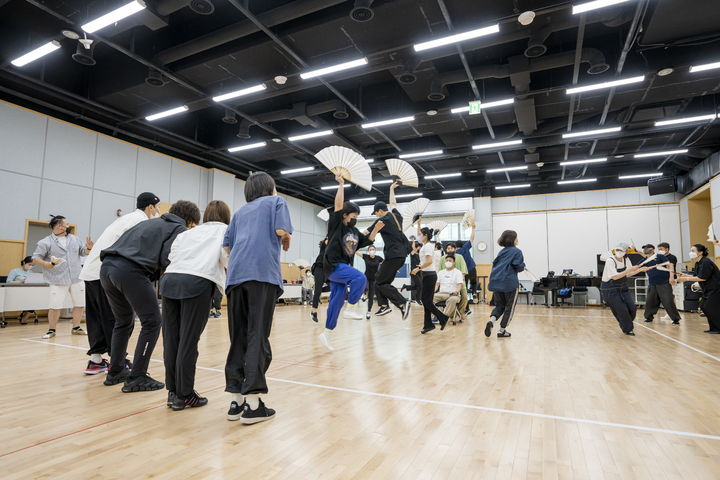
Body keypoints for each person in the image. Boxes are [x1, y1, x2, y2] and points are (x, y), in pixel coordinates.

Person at [100, 200, 200, 392]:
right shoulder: (178, 228)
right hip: (130, 270)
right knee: (153, 322)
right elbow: (166, 257)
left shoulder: (149, 222)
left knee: (123, 321)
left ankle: (115, 371)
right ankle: (137, 376)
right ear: (189, 221)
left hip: (107, 267)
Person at [224, 172, 292, 424]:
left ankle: (235, 400)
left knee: (238, 336)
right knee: (257, 336)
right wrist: (286, 236)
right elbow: (280, 229)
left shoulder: (240, 212)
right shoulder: (277, 201)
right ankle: (253, 404)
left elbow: (228, 247)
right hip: (261, 274)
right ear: (269, 188)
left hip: (235, 276)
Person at [79, 192, 160, 375]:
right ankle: (119, 361)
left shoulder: (126, 218)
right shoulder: (140, 221)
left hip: (91, 271)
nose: (159, 211)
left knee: (96, 318)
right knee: (117, 319)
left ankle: (96, 360)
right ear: (150, 207)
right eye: (158, 207)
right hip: (105, 271)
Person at [161, 200, 231, 411]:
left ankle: (173, 392)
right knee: (188, 341)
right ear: (227, 216)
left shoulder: (187, 232)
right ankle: (185, 394)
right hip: (197, 282)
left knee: (171, 339)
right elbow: (227, 258)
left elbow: (172, 256)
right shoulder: (226, 231)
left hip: (170, 280)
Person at [318, 174, 384, 352]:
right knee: (360, 278)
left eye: (356, 216)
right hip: (333, 265)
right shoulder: (337, 225)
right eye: (353, 216)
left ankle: (327, 333)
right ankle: (351, 308)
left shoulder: (354, 231)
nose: (355, 218)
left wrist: (376, 230)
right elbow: (338, 205)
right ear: (345, 215)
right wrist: (341, 184)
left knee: (336, 301)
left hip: (343, 268)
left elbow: (367, 241)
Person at [32, 215, 92, 339]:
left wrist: (88, 249)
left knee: (80, 304)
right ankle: (51, 330)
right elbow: (36, 258)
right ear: (59, 226)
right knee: (55, 306)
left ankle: (76, 327)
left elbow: (83, 252)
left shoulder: (74, 239)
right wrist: (47, 264)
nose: (68, 226)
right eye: (67, 224)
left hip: (76, 277)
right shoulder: (45, 242)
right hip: (57, 279)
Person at [365, 181, 411, 319]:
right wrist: (391, 188)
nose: (376, 216)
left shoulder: (383, 220)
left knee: (379, 281)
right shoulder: (396, 215)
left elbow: (367, 232)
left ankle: (401, 303)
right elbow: (393, 203)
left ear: (379, 210)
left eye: (376, 213)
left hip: (393, 255)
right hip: (401, 255)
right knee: (380, 280)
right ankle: (385, 306)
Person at [485, 230, 525, 338]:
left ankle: (491, 321)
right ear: (513, 239)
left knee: (500, 306)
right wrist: (523, 266)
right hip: (509, 283)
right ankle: (502, 330)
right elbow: (518, 266)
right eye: (516, 237)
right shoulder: (517, 251)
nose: (517, 239)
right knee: (509, 307)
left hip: (497, 282)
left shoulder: (501, 252)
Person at [411, 222, 448, 334]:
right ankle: (428, 324)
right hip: (427, 275)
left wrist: (418, 269)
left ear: (425, 235)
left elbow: (429, 261)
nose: (419, 236)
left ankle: (442, 318)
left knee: (426, 301)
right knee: (426, 300)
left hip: (429, 275)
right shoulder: (426, 245)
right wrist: (418, 222)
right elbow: (419, 234)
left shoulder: (427, 246)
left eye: (421, 234)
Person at [599, 242, 644, 336]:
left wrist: (640, 270)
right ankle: (628, 329)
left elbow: (628, 274)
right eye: (617, 250)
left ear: (626, 251)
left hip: (623, 287)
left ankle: (626, 323)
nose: (619, 252)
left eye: (621, 250)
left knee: (632, 308)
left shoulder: (626, 259)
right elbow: (615, 277)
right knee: (622, 310)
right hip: (609, 289)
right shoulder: (610, 260)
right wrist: (630, 270)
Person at [677, 244, 720, 334]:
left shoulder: (706, 262)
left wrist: (686, 279)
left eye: (693, 251)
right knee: (703, 306)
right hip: (707, 289)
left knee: (710, 307)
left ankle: (718, 328)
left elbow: (703, 278)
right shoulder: (698, 263)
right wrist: (684, 275)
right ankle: (713, 328)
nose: (691, 253)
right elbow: (697, 276)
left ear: (700, 252)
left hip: (715, 288)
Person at [640, 243, 681, 325]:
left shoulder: (659, 256)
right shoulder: (645, 259)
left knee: (667, 300)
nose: (646, 250)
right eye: (644, 249)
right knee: (650, 301)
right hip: (652, 283)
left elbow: (670, 265)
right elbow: (637, 266)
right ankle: (649, 317)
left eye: (648, 248)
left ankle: (675, 319)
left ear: (652, 249)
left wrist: (671, 277)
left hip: (664, 282)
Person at [439, 243, 469, 321]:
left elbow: (463, 271)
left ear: (455, 249)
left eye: (452, 248)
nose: (450, 250)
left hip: (460, 283)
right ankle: (452, 315)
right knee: (450, 298)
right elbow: (440, 271)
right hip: (447, 284)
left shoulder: (460, 257)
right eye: (448, 248)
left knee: (465, 297)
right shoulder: (442, 259)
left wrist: (460, 283)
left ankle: (461, 312)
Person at [433, 253, 464, 321]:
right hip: (441, 293)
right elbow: (437, 284)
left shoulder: (458, 272)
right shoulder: (440, 272)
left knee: (452, 300)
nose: (448, 262)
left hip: (453, 294)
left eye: (450, 260)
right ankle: (436, 315)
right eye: (446, 260)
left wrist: (456, 292)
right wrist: (433, 291)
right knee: (429, 299)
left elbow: (460, 285)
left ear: (454, 263)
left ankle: (444, 317)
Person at [6, 256, 36, 325]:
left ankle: (24, 317)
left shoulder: (31, 272)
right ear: (24, 263)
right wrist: (20, 281)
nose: (31, 266)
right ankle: (24, 315)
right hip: (16, 292)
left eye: (32, 265)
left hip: (27, 292)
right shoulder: (14, 271)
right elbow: (8, 282)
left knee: (34, 300)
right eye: (29, 264)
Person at [355, 245, 383, 319]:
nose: (372, 250)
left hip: (374, 279)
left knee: (371, 296)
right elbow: (356, 252)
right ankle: (364, 294)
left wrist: (394, 268)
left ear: (375, 250)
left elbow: (386, 263)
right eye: (370, 249)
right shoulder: (366, 256)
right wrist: (351, 247)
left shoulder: (378, 258)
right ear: (368, 251)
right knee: (366, 287)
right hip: (366, 277)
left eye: (373, 249)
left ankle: (368, 312)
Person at [454, 221, 477, 311]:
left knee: (465, 289)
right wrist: (473, 228)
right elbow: (472, 238)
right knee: (474, 282)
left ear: (455, 247)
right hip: (472, 268)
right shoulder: (465, 247)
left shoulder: (455, 253)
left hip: (463, 272)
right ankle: (474, 292)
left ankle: (466, 308)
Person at [310, 237, 328, 323]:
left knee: (334, 286)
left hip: (327, 270)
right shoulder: (325, 243)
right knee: (317, 291)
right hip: (319, 268)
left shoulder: (334, 247)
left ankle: (318, 290)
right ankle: (313, 312)